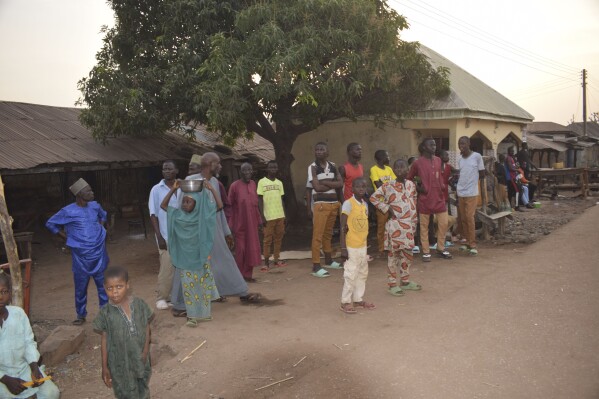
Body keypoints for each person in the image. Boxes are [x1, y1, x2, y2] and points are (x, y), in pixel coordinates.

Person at [184, 152, 259, 303]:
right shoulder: (191, 181)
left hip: (215, 232)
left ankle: (241, 291)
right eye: (217, 163)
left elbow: (220, 210)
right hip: (197, 233)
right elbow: (185, 208)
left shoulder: (215, 183)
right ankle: (194, 299)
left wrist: (226, 231)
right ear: (210, 164)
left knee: (225, 260)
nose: (220, 166)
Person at [46, 178, 109, 325]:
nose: (92, 192)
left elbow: (103, 215)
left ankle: (105, 313)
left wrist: (101, 229)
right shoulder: (68, 211)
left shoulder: (95, 206)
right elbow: (50, 223)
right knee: (81, 287)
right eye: (88, 190)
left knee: (103, 286)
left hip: (99, 253)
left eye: (91, 189)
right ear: (79, 194)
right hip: (81, 256)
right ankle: (81, 315)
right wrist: (66, 238)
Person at [161, 179, 221, 327]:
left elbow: (219, 206)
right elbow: (163, 205)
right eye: (184, 201)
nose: (185, 204)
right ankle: (192, 316)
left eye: (189, 202)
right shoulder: (177, 215)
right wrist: (174, 190)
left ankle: (204, 314)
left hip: (199, 257)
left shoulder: (203, 217)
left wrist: (211, 189)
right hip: (185, 260)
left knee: (202, 286)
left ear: (198, 204)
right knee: (189, 288)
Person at [93, 267, 153, 398]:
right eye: (110, 288)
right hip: (119, 364)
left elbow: (146, 326)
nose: (114, 292)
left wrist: (145, 351)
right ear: (104, 288)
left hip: (140, 358)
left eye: (119, 286)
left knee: (143, 388)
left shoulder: (140, 305)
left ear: (127, 285)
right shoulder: (105, 313)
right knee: (125, 393)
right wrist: (104, 367)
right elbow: (104, 339)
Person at [0, 272, 60, 399]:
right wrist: (5, 379)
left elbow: (28, 342)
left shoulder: (19, 314)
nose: (0, 297)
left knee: (52, 393)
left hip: (23, 368)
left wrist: (34, 368)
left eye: (4, 291)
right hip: (2, 375)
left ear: (10, 293)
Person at [371, 160, 421, 296]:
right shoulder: (388, 186)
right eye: (397, 167)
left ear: (408, 169)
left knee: (408, 255)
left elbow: (414, 199)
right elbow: (374, 198)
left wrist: (414, 221)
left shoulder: (411, 185)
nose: (400, 169)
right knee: (393, 256)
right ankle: (392, 284)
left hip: (409, 226)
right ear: (393, 169)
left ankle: (405, 281)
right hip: (395, 227)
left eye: (402, 166)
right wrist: (386, 208)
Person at [407, 138, 453, 261]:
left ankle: (440, 248)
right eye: (431, 145)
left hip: (439, 197)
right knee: (424, 226)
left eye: (434, 145)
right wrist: (418, 188)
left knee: (444, 223)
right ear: (423, 147)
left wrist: (442, 186)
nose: (434, 146)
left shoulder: (438, 160)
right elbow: (409, 178)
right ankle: (426, 251)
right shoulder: (417, 163)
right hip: (425, 199)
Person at [307, 142, 344, 277]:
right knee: (318, 235)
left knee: (328, 234)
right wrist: (332, 184)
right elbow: (316, 188)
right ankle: (316, 265)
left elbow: (340, 183)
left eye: (322, 149)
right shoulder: (312, 167)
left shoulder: (333, 166)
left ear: (328, 152)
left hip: (334, 204)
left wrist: (325, 183)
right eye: (316, 149)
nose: (319, 151)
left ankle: (328, 260)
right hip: (321, 205)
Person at [339, 178, 375, 314]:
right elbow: (342, 227)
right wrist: (343, 248)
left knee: (362, 273)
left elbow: (364, 226)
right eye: (358, 187)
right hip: (351, 246)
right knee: (350, 274)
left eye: (364, 187)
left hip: (362, 246)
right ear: (352, 188)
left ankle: (358, 299)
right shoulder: (348, 204)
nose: (361, 189)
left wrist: (366, 247)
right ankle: (345, 302)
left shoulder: (364, 204)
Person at [148, 160, 178, 310]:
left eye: (169, 169)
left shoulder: (181, 187)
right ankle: (161, 297)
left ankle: (173, 296)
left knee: (178, 268)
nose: (166, 171)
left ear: (176, 171)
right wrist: (159, 236)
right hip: (165, 235)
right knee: (166, 268)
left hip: (180, 235)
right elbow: (153, 214)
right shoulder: (156, 189)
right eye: (164, 169)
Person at [228, 163, 263, 281]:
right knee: (240, 250)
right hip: (239, 223)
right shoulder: (234, 186)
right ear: (240, 172)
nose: (247, 173)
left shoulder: (253, 184)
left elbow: (255, 204)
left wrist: (259, 220)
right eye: (244, 170)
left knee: (251, 249)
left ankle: (248, 275)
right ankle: (239, 276)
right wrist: (230, 225)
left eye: (249, 170)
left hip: (252, 223)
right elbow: (230, 206)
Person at [456, 136, 485, 256]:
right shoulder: (460, 159)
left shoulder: (477, 157)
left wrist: (473, 182)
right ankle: (466, 241)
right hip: (460, 192)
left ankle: (472, 244)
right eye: (459, 144)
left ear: (468, 143)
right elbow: (459, 174)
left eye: (463, 143)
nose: (461, 146)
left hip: (471, 193)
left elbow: (482, 173)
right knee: (462, 218)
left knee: (469, 217)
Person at [257, 160, 287, 271]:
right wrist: (262, 216)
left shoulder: (279, 183)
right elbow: (259, 200)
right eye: (271, 167)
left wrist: (285, 215)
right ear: (267, 169)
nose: (273, 169)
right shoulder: (262, 182)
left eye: (275, 167)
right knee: (267, 240)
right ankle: (266, 262)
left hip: (280, 215)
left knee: (278, 238)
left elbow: (282, 200)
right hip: (268, 216)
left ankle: (276, 260)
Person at [369, 150, 397, 255]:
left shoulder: (389, 169)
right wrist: (390, 188)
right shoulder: (374, 169)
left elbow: (395, 182)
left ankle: (390, 246)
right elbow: (378, 184)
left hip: (391, 202)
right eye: (387, 156)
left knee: (391, 226)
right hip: (381, 202)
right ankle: (381, 248)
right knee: (381, 225)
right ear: (381, 158)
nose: (389, 158)